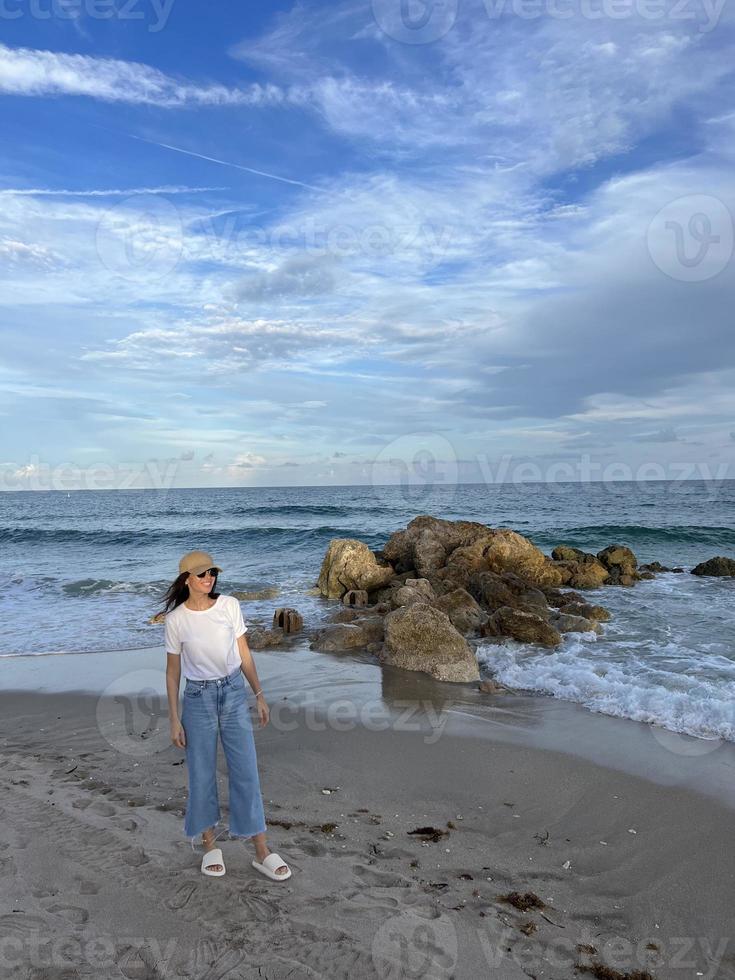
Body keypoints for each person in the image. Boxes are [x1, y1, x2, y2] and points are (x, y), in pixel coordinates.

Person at [161, 549, 291, 881]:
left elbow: (244, 654)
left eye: (213, 573)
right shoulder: (176, 621)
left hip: (233, 692)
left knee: (246, 770)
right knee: (202, 773)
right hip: (197, 698)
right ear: (187, 579)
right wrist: (174, 718)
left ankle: (261, 850)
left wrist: (259, 694)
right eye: (202, 574)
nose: (209, 579)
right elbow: (173, 673)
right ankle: (209, 845)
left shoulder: (230, 605)